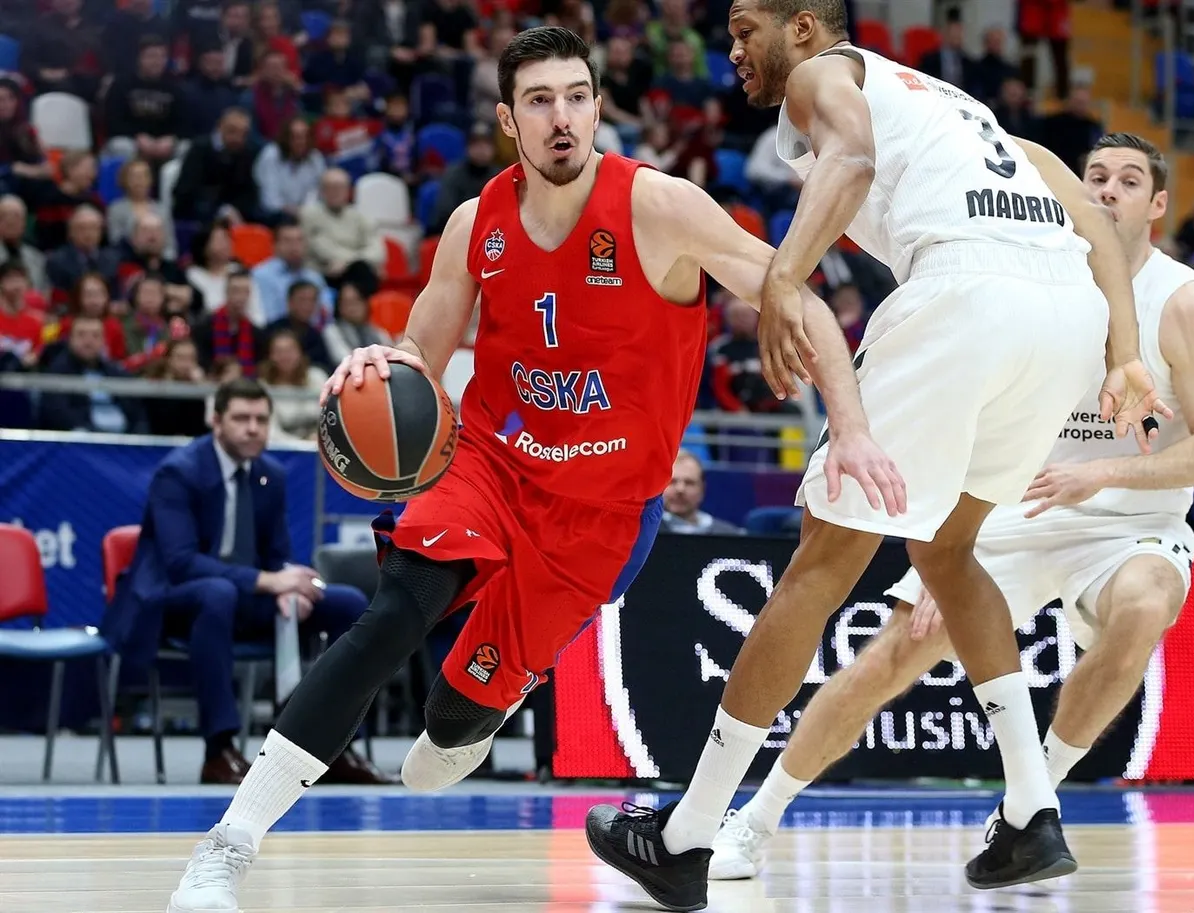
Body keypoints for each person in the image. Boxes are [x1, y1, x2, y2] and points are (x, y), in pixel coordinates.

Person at [165, 26, 877, 913]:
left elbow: (793, 293)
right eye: (539, 101)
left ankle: (481, 702)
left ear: (597, 106)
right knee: (393, 615)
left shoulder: (659, 207)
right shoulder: (476, 223)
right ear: (509, 119)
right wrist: (372, 367)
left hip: (601, 516)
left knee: (444, 745)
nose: (563, 117)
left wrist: (847, 428)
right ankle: (229, 842)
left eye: (577, 96)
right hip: (491, 463)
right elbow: (418, 354)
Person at [584, 4, 1167, 909]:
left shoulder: (830, 77)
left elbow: (851, 157)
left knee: (821, 565)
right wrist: (1124, 352)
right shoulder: (954, 103)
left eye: (747, 27)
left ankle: (688, 832)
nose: (732, 49)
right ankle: (1030, 810)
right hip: (1065, 320)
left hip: (966, 292)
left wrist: (783, 276)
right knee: (948, 547)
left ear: (807, 27)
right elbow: (1089, 216)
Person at [707, 132, 1194, 879]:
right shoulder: (1038, 276)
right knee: (892, 654)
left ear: (1158, 204)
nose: (1106, 190)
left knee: (1145, 606)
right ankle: (753, 821)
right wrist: (947, 548)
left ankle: (1032, 802)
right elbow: (970, 416)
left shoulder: (1185, 302)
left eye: (1128, 180)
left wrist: (1105, 475)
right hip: (1009, 513)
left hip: (1129, 525)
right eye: (1094, 175)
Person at [102, 378, 381, 785]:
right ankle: (219, 751)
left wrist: (290, 585)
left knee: (347, 603)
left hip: (241, 596)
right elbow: (181, 563)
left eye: (261, 419)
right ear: (216, 422)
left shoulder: (271, 475)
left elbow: (276, 557)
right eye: (241, 418)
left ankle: (330, 745)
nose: (253, 428)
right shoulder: (178, 473)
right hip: (172, 602)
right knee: (218, 593)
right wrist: (269, 580)